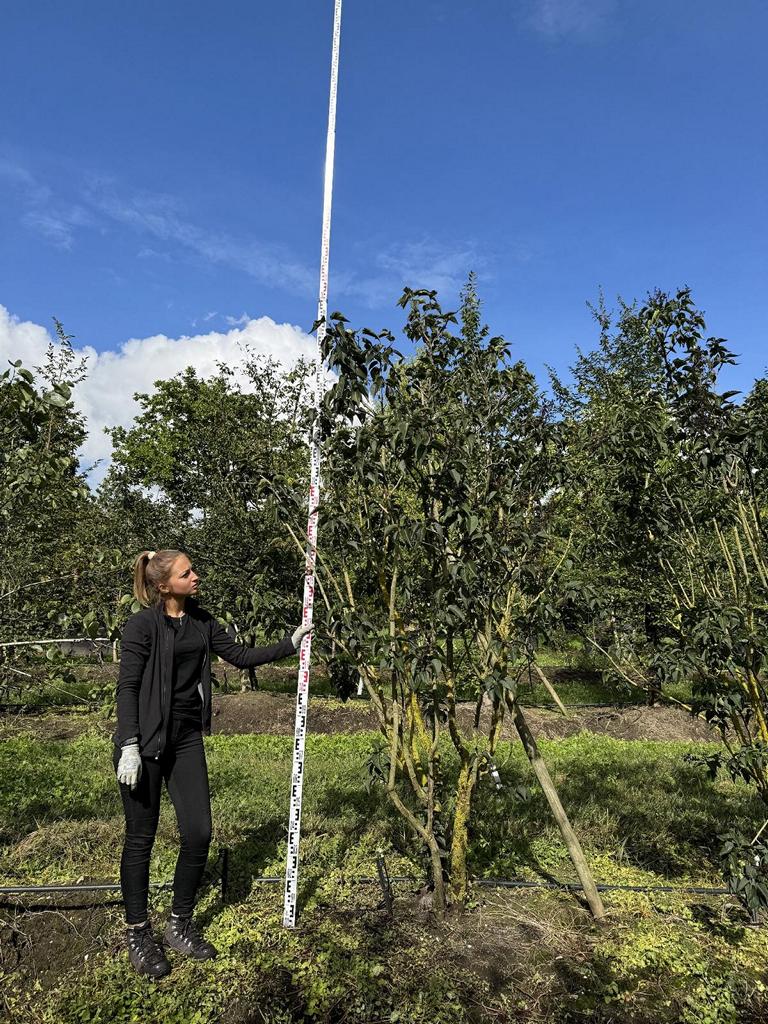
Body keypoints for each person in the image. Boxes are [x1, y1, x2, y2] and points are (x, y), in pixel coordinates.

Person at [113, 548, 310, 979]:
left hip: (184, 740)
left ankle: (179, 923)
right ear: (163, 585)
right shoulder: (141, 626)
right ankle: (138, 932)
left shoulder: (202, 622)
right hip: (143, 744)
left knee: (199, 831)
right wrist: (128, 743)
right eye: (187, 573)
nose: (196, 576)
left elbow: (238, 656)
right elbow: (127, 688)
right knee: (140, 838)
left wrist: (289, 645)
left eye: (193, 570)